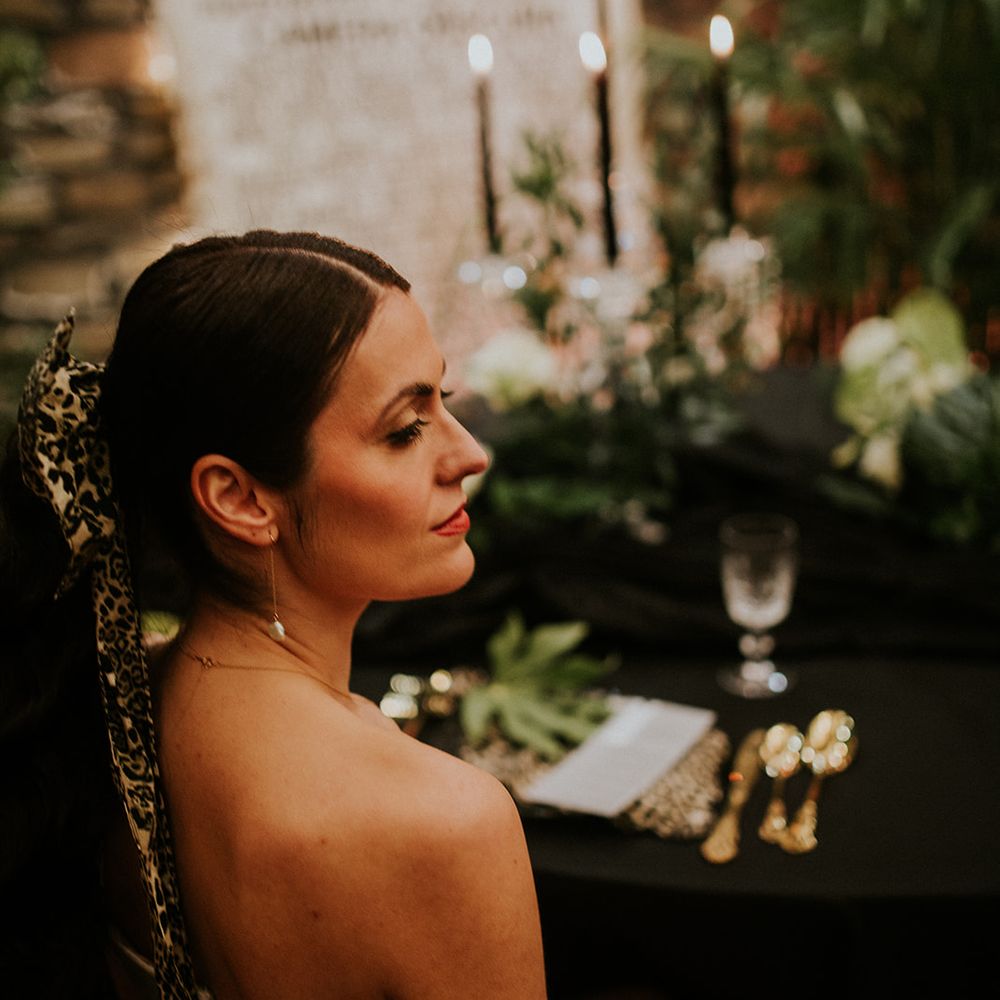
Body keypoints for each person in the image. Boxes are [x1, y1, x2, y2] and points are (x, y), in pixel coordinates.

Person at [0, 230, 547, 999]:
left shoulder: (104, 695)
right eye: (405, 428)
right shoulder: (446, 823)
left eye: (443, 401)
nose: (469, 454)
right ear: (240, 498)